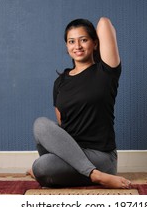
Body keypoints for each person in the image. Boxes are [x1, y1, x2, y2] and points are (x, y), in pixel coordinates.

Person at [29, 17, 132, 189]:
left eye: (83, 40)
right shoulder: (60, 82)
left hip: (101, 156)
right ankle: (93, 175)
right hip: (73, 154)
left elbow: (104, 23)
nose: (77, 46)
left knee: (41, 167)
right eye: (71, 42)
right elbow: (63, 127)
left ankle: (98, 174)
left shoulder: (106, 72)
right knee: (40, 126)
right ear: (67, 46)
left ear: (95, 43)